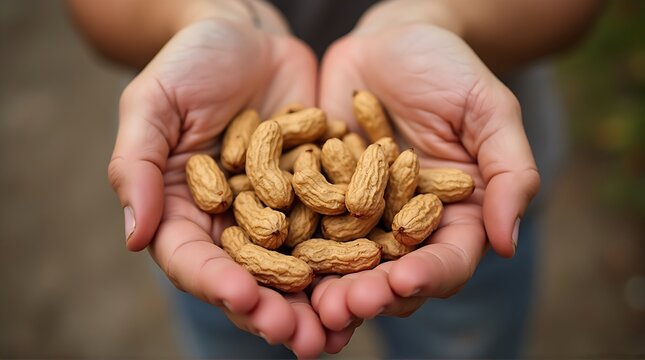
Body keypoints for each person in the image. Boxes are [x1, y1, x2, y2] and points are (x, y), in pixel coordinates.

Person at [67, 0, 603, 358]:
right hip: (215, 191)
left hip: (456, 162)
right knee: (233, 325)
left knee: (464, 338)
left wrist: (439, 15)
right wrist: (202, 16)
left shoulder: (372, 181)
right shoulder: (262, 190)